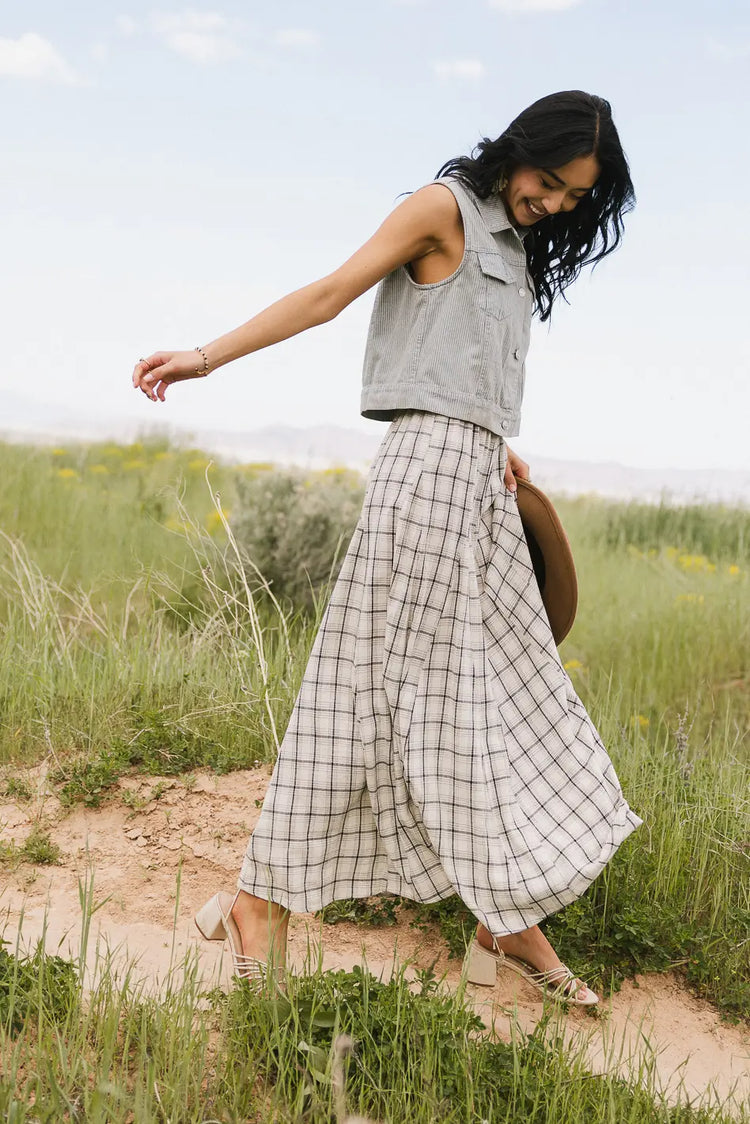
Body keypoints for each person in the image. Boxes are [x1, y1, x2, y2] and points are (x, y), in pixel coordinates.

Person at [133, 90, 642, 1005]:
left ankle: (501, 912)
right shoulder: (440, 208)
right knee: (390, 703)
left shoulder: (514, 248)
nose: (555, 203)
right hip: (422, 485)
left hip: (479, 484)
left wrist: (495, 441)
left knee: (504, 700)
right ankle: (275, 905)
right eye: (549, 182)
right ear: (521, 149)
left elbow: (462, 373)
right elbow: (329, 294)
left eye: (574, 197)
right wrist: (201, 358)